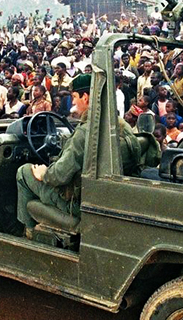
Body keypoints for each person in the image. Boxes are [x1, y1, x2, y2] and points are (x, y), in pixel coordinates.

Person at [15, 74, 140, 238]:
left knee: (24, 172)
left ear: (85, 97)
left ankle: (28, 232)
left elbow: (58, 176)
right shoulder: (120, 125)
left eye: (74, 97)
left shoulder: (85, 132)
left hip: (77, 203)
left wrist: (44, 173)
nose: (73, 102)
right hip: (106, 198)